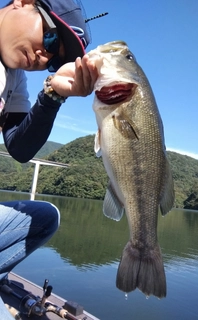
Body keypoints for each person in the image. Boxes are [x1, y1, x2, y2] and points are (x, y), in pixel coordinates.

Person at [0, 0, 99, 318]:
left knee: (46, 218)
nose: (44, 58)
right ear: (23, 2)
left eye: (54, 63)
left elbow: (19, 147)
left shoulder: (13, 77)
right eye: (51, 39)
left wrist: (53, 94)